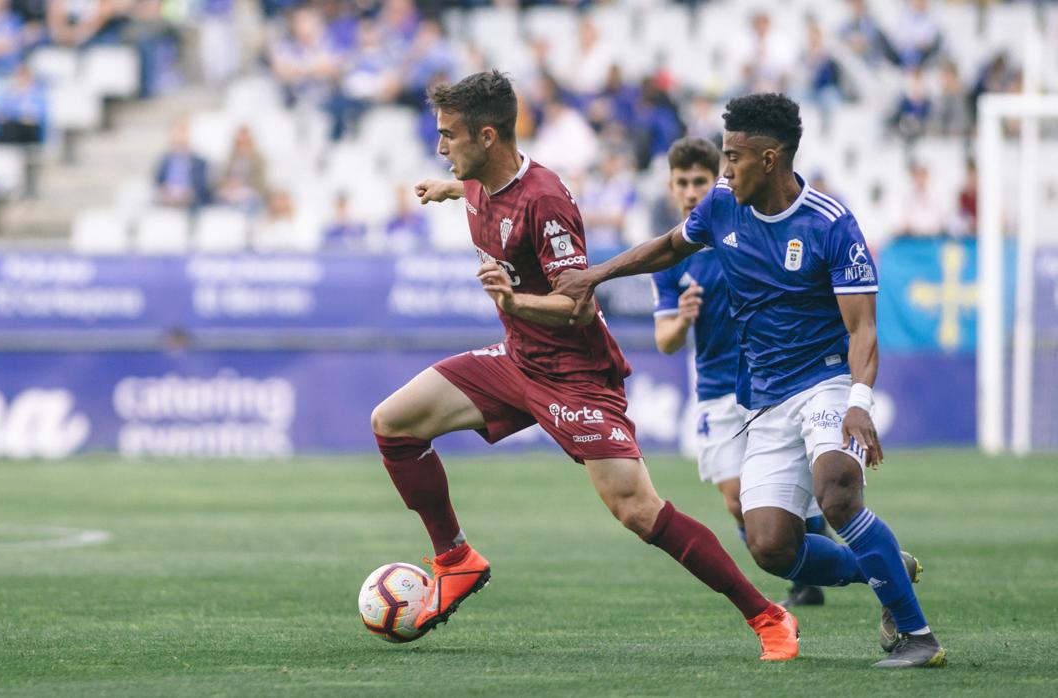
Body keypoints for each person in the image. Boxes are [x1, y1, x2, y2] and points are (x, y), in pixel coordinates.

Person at [370, 71, 799, 660]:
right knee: (393, 422)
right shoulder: (475, 180)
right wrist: (445, 190)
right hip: (518, 360)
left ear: (488, 136)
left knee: (638, 511)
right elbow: (471, 194)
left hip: (575, 375)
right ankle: (455, 559)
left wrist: (514, 302)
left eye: (448, 136)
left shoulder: (544, 200)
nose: (441, 147)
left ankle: (769, 617)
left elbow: (578, 305)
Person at [554, 93, 945, 669]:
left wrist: (859, 400)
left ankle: (918, 636)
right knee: (769, 545)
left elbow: (862, 329)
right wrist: (597, 273)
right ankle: (884, 567)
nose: (724, 169)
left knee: (836, 488)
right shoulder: (719, 208)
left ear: (770, 158)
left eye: (733, 157)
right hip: (765, 399)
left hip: (828, 382)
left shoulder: (830, 224)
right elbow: (667, 247)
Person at [651, 136, 831, 609]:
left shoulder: (743, 237)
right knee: (736, 501)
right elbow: (664, 343)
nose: (691, 192)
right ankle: (806, 558)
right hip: (714, 390)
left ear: (719, 184)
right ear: (672, 189)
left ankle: (808, 575)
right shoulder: (671, 260)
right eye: (683, 183)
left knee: (790, 495)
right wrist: (683, 319)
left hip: (768, 385)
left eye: (700, 182)